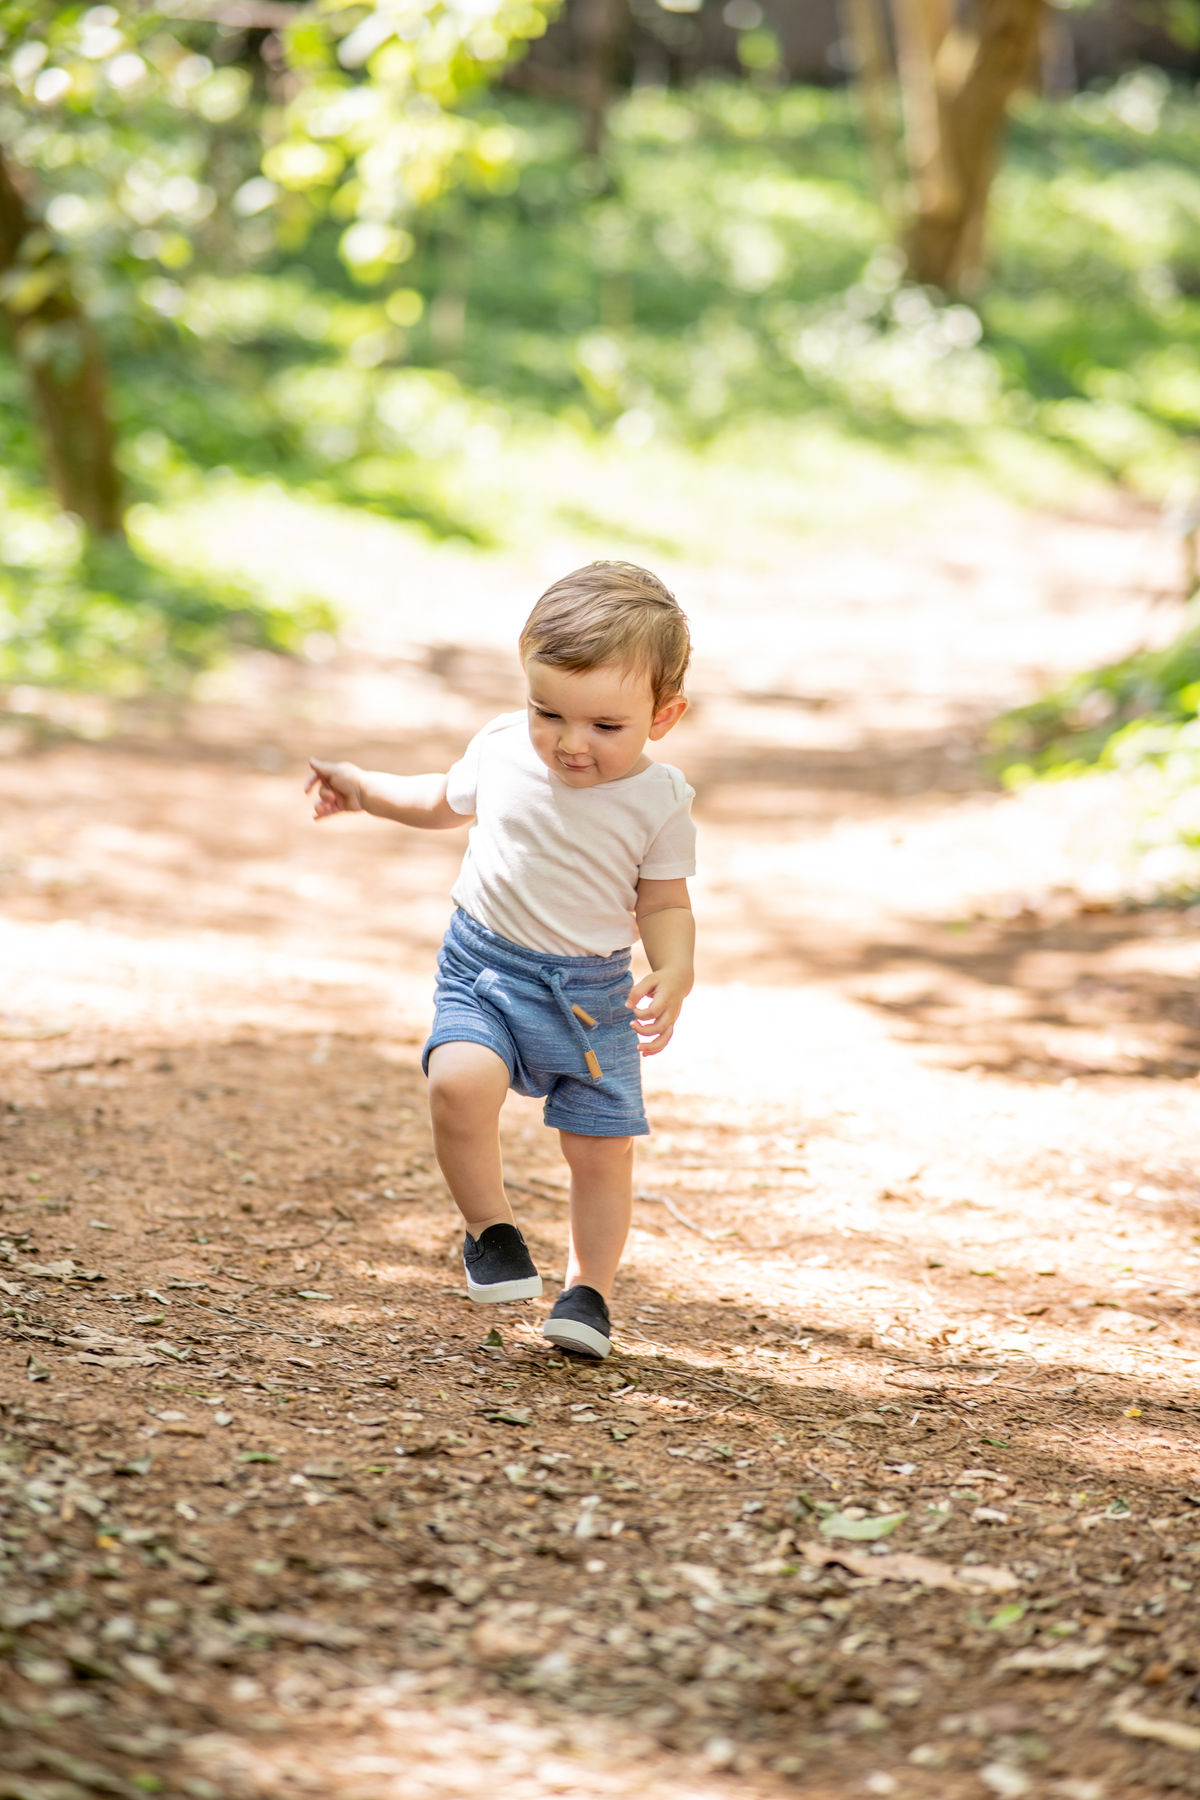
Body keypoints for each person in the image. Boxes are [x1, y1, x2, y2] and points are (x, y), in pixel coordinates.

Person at [305, 561, 695, 1360]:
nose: (569, 743)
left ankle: (589, 1292)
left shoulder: (659, 802)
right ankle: (491, 1232)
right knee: (457, 1082)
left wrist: (676, 967)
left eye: (605, 726)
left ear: (664, 716)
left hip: (590, 995)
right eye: (547, 711)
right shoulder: (503, 748)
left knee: (599, 1150)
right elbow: (438, 801)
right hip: (484, 967)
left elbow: (663, 902)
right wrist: (363, 789)